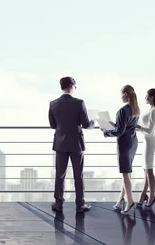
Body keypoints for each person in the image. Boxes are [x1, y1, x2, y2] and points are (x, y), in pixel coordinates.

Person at [48, 76, 95, 213]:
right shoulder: (79, 103)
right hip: (76, 144)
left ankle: (58, 203)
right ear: (72, 86)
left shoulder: (53, 104)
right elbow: (86, 124)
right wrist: (93, 121)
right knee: (78, 174)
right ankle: (80, 204)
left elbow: (52, 125)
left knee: (60, 174)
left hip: (60, 143)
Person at [102, 85, 140, 215]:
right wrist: (114, 124)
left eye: (121, 94)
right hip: (133, 142)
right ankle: (120, 200)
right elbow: (125, 126)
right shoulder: (135, 109)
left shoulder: (123, 110)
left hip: (124, 143)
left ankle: (130, 202)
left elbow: (119, 131)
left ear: (125, 95)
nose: (120, 97)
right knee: (127, 172)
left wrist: (106, 132)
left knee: (124, 173)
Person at [136, 88, 155, 209]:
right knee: (145, 170)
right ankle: (142, 195)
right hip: (146, 141)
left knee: (149, 170)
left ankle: (151, 196)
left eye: (146, 96)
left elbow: (150, 130)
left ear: (151, 97)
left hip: (150, 141)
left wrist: (139, 127)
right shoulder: (151, 110)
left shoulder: (154, 111)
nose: (145, 97)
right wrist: (138, 127)